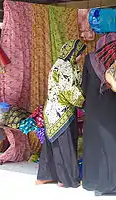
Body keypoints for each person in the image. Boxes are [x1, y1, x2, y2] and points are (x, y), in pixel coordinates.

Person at [81, 33, 116, 196]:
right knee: (113, 143)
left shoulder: (89, 59)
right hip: (111, 110)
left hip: (94, 108)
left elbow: (84, 86)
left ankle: (93, 181)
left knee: (95, 143)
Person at [36, 40, 86, 188]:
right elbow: (70, 91)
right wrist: (85, 102)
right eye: (79, 54)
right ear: (72, 53)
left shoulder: (61, 65)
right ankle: (66, 179)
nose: (80, 57)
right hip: (61, 112)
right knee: (65, 146)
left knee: (52, 145)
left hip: (52, 111)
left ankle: (45, 176)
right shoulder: (65, 68)